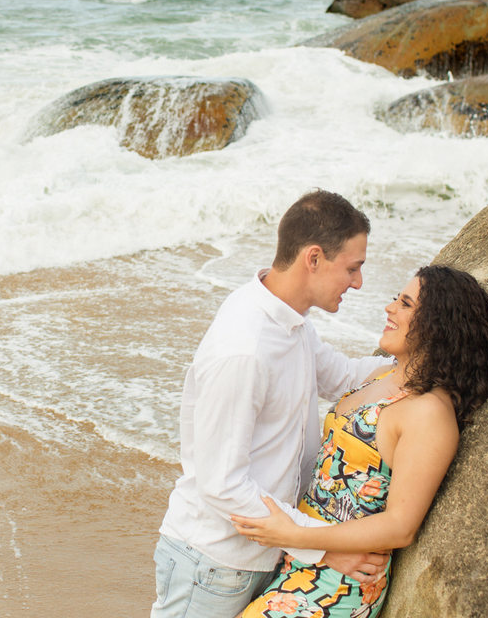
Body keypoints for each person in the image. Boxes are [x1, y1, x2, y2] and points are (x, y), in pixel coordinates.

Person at [150, 190, 397, 618]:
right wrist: (322, 548)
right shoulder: (245, 349)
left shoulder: (290, 320)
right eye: (352, 268)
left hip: (266, 555)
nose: (358, 283)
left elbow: (342, 376)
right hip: (213, 563)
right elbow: (221, 484)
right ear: (314, 258)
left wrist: (443, 337)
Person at [229, 265, 488, 617]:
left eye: (405, 304)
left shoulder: (428, 414)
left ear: (438, 325)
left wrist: (294, 535)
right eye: (395, 300)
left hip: (341, 582)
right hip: (302, 559)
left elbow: (400, 526)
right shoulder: (383, 374)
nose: (389, 309)